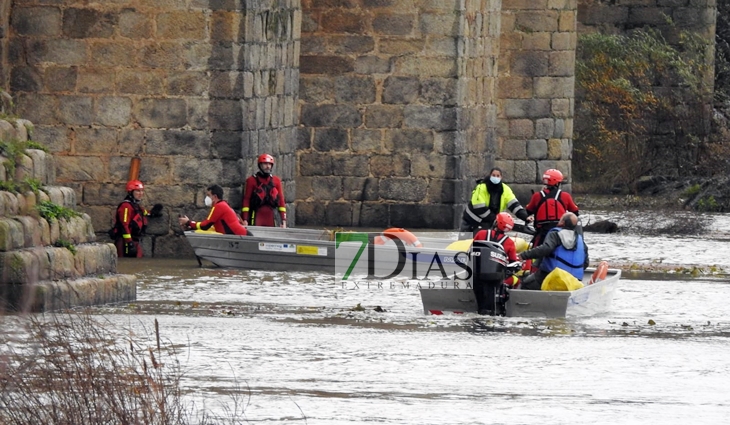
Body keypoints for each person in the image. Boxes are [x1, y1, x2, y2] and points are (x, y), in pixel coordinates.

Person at [518, 212, 588, 290]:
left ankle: (537, 302)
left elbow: (545, 249)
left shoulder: (555, 234)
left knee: (526, 283)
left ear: (563, 222)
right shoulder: (581, 242)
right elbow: (585, 263)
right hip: (574, 280)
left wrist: (523, 255)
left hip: (552, 275)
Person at [459, 167, 531, 234]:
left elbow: (515, 206)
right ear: (490, 176)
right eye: (493, 175)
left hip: (487, 223)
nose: (495, 177)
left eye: (497, 176)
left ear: (501, 177)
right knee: (464, 245)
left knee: (483, 244)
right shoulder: (481, 188)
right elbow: (479, 208)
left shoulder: (505, 189)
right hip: (470, 222)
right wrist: (496, 219)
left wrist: (525, 217)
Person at [525, 168, 580, 247]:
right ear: (557, 183)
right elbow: (575, 212)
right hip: (560, 233)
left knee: (536, 251)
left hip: (542, 233)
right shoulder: (565, 196)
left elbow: (529, 211)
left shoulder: (536, 196)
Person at [110, 180, 162, 258]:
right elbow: (124, 225)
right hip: (125, 242)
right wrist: (129, 242)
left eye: (142, 191)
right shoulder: (126, 206)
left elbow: (141, 213)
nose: (141, 194)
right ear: (131, 192)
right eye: (138, 191)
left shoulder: (135, 205)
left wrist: (152, 213)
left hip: (134, 241)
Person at [179, 184, 250, 236]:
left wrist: (189, 222)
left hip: (241, 238)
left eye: (208, 195)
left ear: (215, 196)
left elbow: (205, 225)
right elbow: (210, 226)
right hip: (241, 236)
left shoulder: (219, 207)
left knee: (198, 233)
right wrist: (191, 225)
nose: (206, 198)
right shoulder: (223, 205)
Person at [241, 153, 287, 228]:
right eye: (265, 164)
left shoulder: (276, 181)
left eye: (270, 164)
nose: (268, 166)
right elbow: (246, 200)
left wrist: (283, 220)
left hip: (271, 217)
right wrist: (245, 219)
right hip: (256, 215)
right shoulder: (251, 180)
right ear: (260, 165)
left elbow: (281, 201)